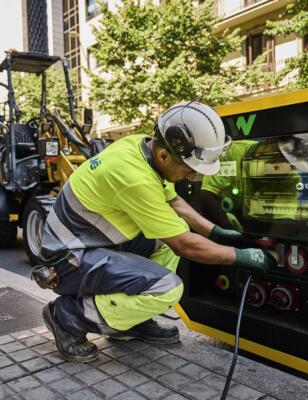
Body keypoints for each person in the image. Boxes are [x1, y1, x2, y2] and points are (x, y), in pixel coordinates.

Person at [38, 101, 276, 362]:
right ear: (164, 156)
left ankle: (130, 321)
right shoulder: (135, 177)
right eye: (188, 169)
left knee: (163, 242)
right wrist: (241, 257)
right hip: (68, 258)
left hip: (93, 243)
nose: (190, 177)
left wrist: (216, 233)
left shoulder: (144, 147)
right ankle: (66, 317)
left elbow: (174, 203)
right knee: (167, 288)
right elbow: (184, 245)